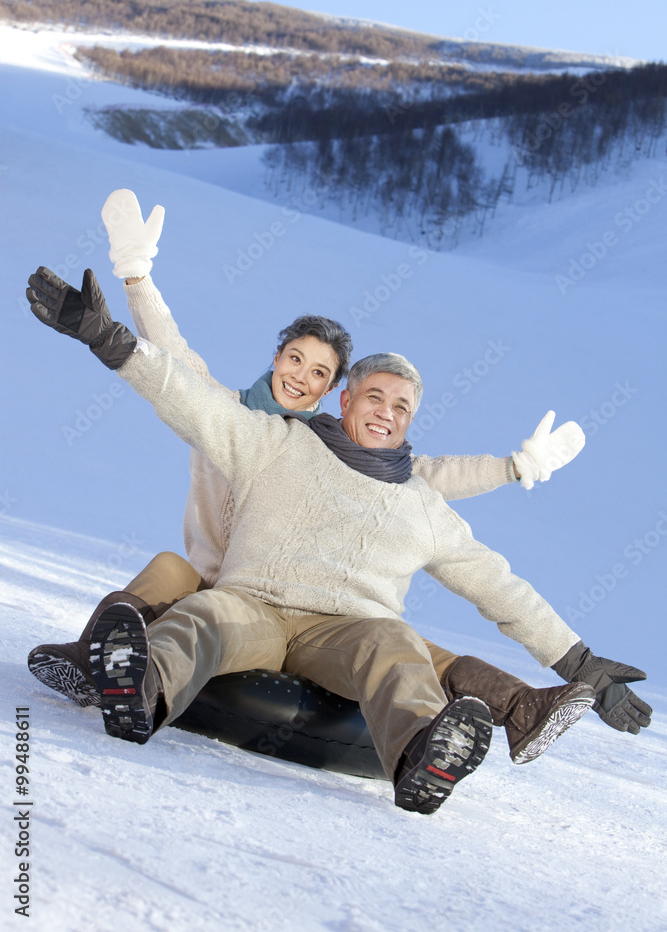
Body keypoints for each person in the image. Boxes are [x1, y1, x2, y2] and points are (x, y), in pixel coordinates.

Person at [26, 266, 652, 815]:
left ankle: (424, 757)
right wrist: (107, 338)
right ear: (346, 398)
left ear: (411, 421)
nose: (385, 412)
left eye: (400, 407)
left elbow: (499, 588)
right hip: (255, 606)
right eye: (374, 396)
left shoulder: (421, 504)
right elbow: (187, 398)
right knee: (205, 612)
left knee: (397, 642)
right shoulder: (276, 442)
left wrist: (580, 663)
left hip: (347, 633)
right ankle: (137, 688)